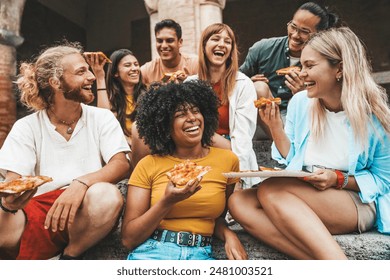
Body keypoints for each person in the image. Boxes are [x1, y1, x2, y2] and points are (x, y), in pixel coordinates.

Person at [229, 27, 390, 259]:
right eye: (301, 65)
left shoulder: (375, 118)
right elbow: (292, 157)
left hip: (354, 201)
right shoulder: (300, 103)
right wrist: (275, 128)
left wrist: (339, 179)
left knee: (272, 190)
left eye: (310, 66)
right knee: (239, 202)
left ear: (340, 69)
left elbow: (384, 180)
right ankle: (320, 263)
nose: (301, 73)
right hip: (303, 192)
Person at [0, 42, 131, 260]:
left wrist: (80, 183)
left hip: (86, 208)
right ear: (55, 83)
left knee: (107, 195)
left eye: (88, 70)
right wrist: (9, 203)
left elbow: (121, 163)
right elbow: (15, 180)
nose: (91, 76)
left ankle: (69, 257)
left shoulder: (101, 117)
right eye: (81, 71)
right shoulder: (27, 126)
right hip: (36, 213)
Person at [121, 80, 247, 260]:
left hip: (201, 253)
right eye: (180, 114)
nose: (192, 118)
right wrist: (167, 202)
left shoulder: (228, 160)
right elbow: (128, 239)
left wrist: (229, 235)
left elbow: (217, 218)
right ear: (164, 124)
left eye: (196, 111)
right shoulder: (148, 164)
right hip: (154, 252)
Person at [240, 2, 339, 138]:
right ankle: (285, 147)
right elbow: (232, 82)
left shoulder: (325, 60)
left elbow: (333, 100)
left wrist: (304, 93)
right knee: (258, 87)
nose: (295, 35)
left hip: (306, 121)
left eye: (304, 31)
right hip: (264, 121)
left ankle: (287, 147)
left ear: (319, 34)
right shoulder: (262, 49)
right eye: (293, 26)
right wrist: (247, 84)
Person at [186, 23, 260, 189]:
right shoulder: (189, 84)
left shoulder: (243, 84)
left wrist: (239, 177)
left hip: (229, 148)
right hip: (195, 147)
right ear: (204, 45)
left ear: (231, 51)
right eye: (215, 39)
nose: (221, 44)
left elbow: (243, 137)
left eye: (227, 41)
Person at [85, 49, 147, 147]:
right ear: (115, 73)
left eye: (136, 64)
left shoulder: (148, 96)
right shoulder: (110, 99)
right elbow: (103, 121)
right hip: (122, 150)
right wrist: (100, 77)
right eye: (128, 65)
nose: (134, 68)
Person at [140, 19, 198, 86]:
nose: (164, 46)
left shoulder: (196, 64)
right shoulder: (146, 71)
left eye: (169, 40)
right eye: (159, 41)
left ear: (180, 42)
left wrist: (188, 80)